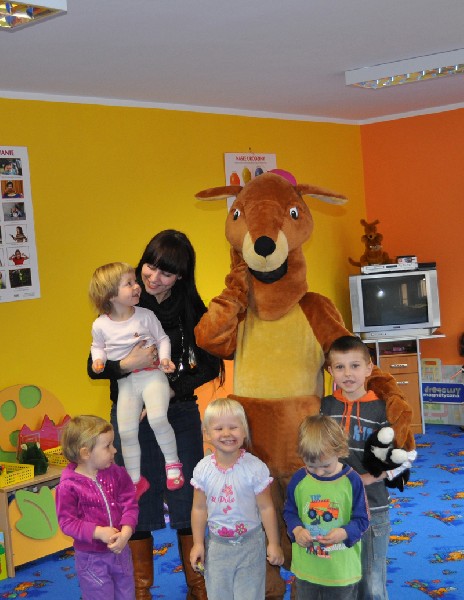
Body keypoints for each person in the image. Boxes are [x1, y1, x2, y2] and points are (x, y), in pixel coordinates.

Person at [87, 229, 222, 599]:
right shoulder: (124, 299)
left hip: (178, 413)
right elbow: (94, 365)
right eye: (150, 266)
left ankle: (199, 586)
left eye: (166, 272)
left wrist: (168, 389)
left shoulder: (192, 310)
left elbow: (210, 365)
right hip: (131, 415)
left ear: (180, 276)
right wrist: (125, 364)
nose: (153, 277)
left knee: (188, 499)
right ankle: (140, 590)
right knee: (136, 498)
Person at [320, 335, 407, 600]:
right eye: (340, 367)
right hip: (336, 507)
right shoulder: (325, 406)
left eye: (355, 366)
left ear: (369, 368)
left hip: (373, 507)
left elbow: (401, 459)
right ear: (330, 370)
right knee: (342, 578)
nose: (348, 374)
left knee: (372, 582)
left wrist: (370, 477)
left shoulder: (382, 409)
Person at [89, 261, 183, 499]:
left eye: (134, 281)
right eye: (129, 283)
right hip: (127, 383)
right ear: (111, 294)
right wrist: (99, 361)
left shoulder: (145, 316)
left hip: (152, 376)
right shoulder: (100, 325)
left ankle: (173, 464)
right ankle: (134, 480)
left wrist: (164, 359)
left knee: (158, 417)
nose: (137, 286)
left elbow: (162, 339)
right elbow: (97, 347)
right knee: (126, 432)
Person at [190, 398, 284, 599]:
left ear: (244, 431)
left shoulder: (255, 468)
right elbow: (199, 509)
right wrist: (198, 543)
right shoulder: (203, 470)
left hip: (251, 546)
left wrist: (274, 543)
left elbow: (267, 508)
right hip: (217, 548)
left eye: (233, 427)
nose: (227, 433)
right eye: (219, 428)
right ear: (206, 433)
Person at [283, 415, 369, 599]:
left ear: (339, 450)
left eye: (326, 466)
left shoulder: (352, 480)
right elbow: (290, 511)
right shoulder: (299, 479)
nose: (319, 472)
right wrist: (297, 530)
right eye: (311, 466)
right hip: (307, 569)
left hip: (340, 571)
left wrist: (344, 533)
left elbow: (362, 519)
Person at [56, 415, 139, 600]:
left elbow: (130, 504)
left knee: (127, 595)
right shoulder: (68, 486)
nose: (114, 450)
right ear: (86, 453)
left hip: (121, 550)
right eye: (107, 446)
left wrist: (126, 531)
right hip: (91, 558)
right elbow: (67, 522)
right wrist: (98, 532)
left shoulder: (116, 473)